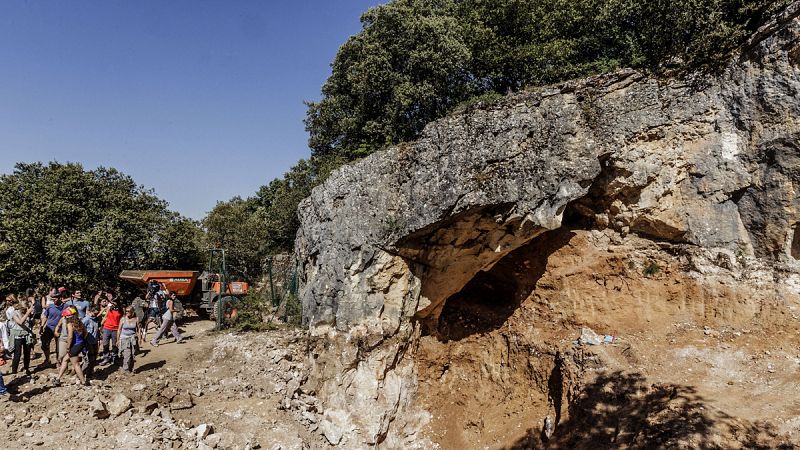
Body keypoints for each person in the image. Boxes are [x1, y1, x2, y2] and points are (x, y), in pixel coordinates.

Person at [54, 309, 88, 386]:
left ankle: (83, 381)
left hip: (75, 345)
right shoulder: (79, 322)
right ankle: (58, 379)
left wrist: (68, 347)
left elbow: (70, 337)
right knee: (65, 360)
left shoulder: (70, 324)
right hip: (80, 344)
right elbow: (86, 333)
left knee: (75, 364)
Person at [6, 294, 33, 376]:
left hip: (25, 333)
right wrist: (28, 313)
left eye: (9, 300)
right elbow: (20, 322)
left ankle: (26, 368)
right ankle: (14, 372)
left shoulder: (20, 309)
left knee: (27, 352)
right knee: (17, 353)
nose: (7, 302)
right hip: (17, 334)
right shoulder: (12, 311)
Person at [40, 292, 65, 367]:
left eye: (55, 299)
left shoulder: (66, 306)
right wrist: (42, 326)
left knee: (59, 346)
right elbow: (45, 317)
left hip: (60, 329)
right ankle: (47, 359)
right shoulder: (50, 307)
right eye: (52, 299)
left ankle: (59, 361)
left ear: (60, 298)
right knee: (44, 344)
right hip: (49, 328)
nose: (53, 300)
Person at [118, 306, 142, 374]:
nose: (127, 312)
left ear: (132, 312)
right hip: (124, 338)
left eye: (128, 311)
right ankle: (125, 369)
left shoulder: (136, 319)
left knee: (133, 354)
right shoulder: (123, 319)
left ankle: (131, 368)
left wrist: (140, 338)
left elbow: (138, 329)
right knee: (127, 354)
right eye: (126, 311)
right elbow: (119, 330)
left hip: (133, 338)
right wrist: (118, 340)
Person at [101, 298, 122, 365]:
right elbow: (104, 316)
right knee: (105, 344)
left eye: (114, 303)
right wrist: (101, 325)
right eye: (112, 302)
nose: (112, 304)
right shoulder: (108, 308)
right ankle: (106, 358)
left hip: (115, 329)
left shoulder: (121, 310)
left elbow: (122, 319)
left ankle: (114, 357)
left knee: (114, 345)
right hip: (107, 328)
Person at [82, 305, 100, 379]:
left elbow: (96, 330)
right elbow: (81, 330)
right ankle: (82, 373)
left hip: (95, 341)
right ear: (90, 311)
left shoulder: (96, 319)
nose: (95, 315)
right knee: (89, 359)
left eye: (97, 313)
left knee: (94, 359)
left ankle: (89, 374)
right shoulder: (86, 320)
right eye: (94, 313)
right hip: (88, 342)